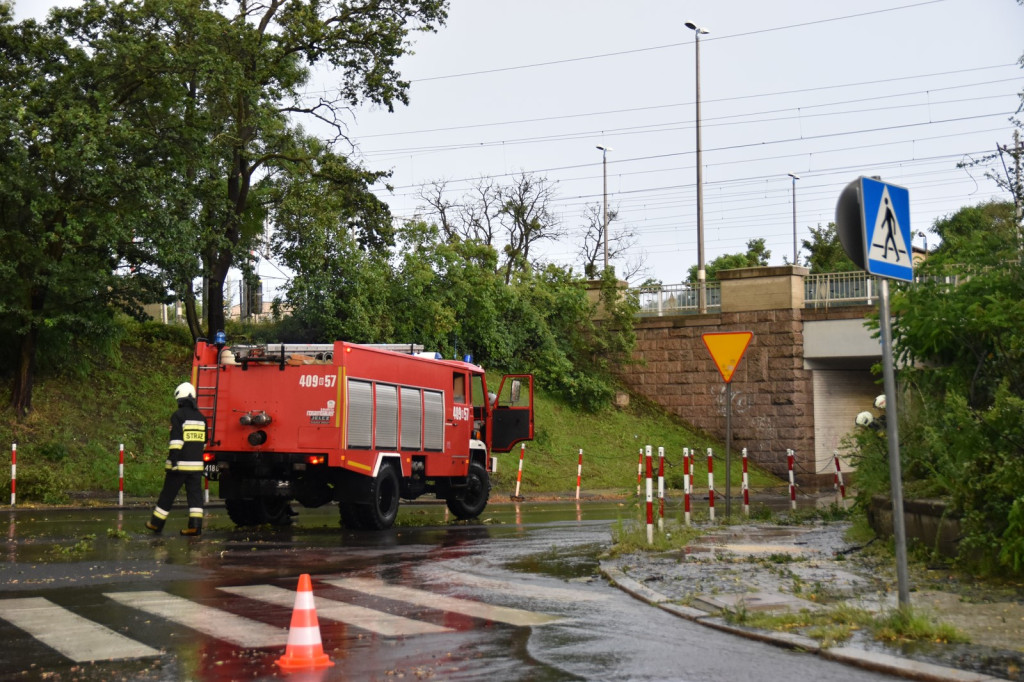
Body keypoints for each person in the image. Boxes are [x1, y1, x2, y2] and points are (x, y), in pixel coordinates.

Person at [146, 382, 208, 537]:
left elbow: (176, 441)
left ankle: (156, 523)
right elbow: (205, 442)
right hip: (196, 466)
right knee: (195, 496)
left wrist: (173, 460)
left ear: (181, 399)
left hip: (180, 465)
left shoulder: (178, 416)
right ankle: (195, 526)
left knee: (168, 494)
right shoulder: (202, 418)